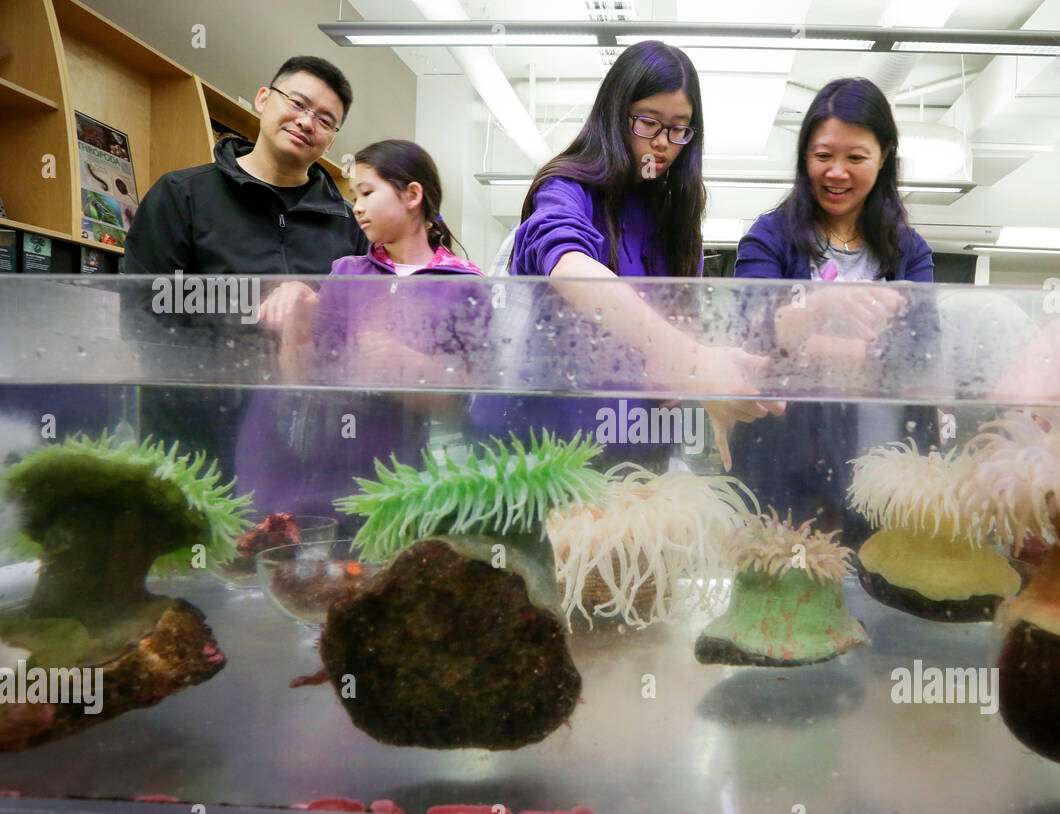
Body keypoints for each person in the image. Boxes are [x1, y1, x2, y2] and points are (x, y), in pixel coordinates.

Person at [469, 40, 780, 469]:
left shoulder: (674, 219)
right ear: (615, 115)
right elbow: (568, 264)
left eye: (679, 128)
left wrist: (702, 378)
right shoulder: (567, 189)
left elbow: (662, 345)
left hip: (630, 452)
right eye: (648, 122)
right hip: (539, 456)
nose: (664, 144)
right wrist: (693, 360)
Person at [122, 55, 368, 468]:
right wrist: (261, 303)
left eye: (326, 120)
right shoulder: (182, 195)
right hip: (191, 436)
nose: (307, 122)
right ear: (262, 99)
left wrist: (310, 309)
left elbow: (360, 325)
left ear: (332, 139)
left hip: (305, 439)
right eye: (297, 103)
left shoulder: (348, 224)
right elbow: (144, 308)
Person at [730, 77, 935, 537]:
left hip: (883, 460)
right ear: (805, 157)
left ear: (883, 157)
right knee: (782, 583)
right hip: (782, 462)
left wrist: (802, 341)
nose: (837, 172)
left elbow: (921, 359)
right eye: (823, 155)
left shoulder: (908, 250)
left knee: (876, 586)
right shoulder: (770, 238)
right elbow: (754, 338)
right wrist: (823, 308)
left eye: (855, 157)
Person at [244, 139, 487, 517]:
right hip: (324, 476)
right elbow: (305, 382)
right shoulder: (346, 272)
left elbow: (467, 403)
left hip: (410, 481)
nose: (356, 207)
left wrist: (402, 364)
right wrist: (297, 326)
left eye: (367, 192)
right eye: (354, 195)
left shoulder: (466, 285)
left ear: (412, 195)